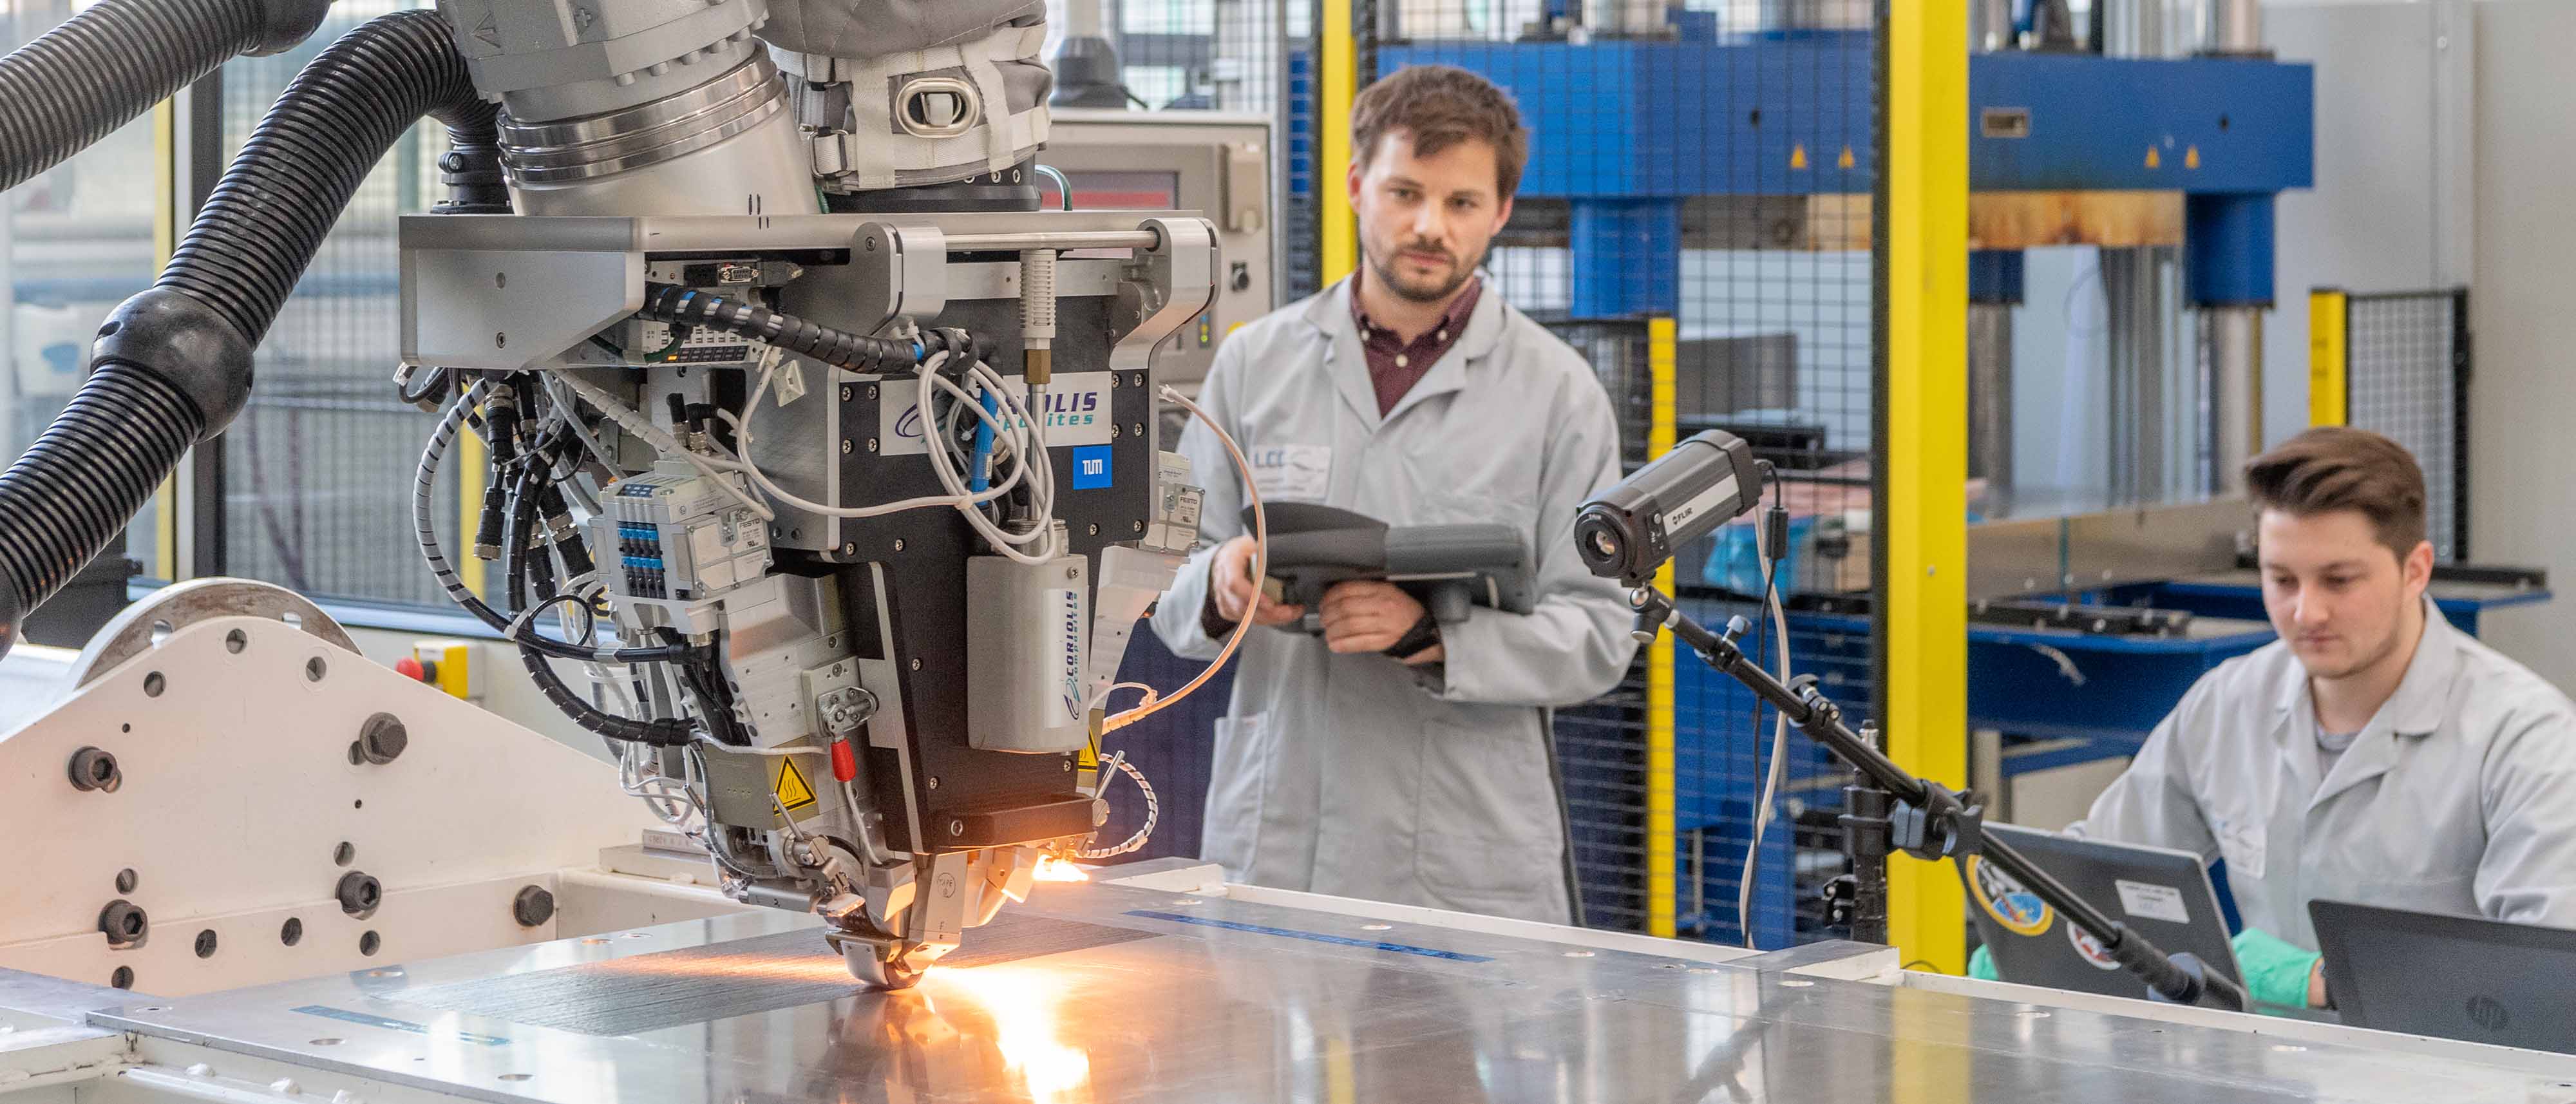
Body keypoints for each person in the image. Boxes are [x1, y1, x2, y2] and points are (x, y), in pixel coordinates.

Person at [1149, 64, 1636, 923]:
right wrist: (1221, 581)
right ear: (1354, 186)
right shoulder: (1255, 364)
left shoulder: (1559, 394)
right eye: (1405, 191)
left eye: (1461, 203)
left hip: (1466, 854)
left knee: (1457, 1061)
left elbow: (1599, 632)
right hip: (1282, 831)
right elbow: (1161, 586)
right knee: (1257, 1056)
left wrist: (1434, 635)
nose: (1428, 226)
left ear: (1502, 212)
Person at [1973, 428, 2576, 1008]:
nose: (2307, 612)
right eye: (2282, 579)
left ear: (2416, 570)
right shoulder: (2228, 704)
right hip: (2264, 1069)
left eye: (2339, 581)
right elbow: (2100, 865)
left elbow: (2552, 977)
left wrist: (2324, 982)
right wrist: (2020, 929)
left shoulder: (2525, 739)